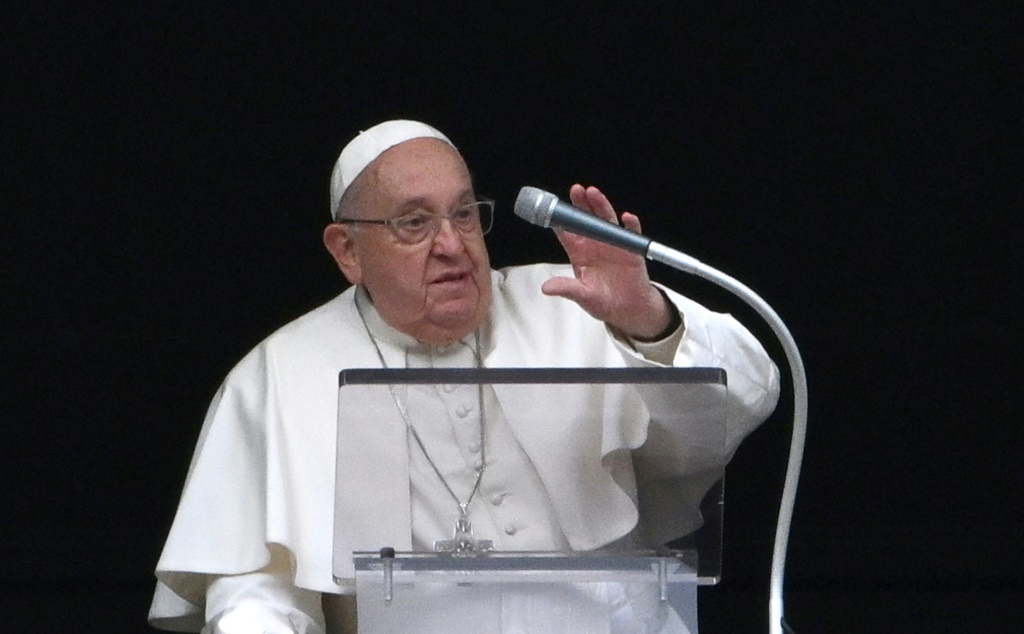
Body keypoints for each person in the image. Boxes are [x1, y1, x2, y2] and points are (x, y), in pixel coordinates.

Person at [148, 120, 780, 633]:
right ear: (347, 251)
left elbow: (749, 397)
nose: (451, 244)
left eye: (465, 214)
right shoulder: (281, 373)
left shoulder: (575, 303)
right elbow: (255, 596)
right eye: (414, 223)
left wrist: (645, 319)